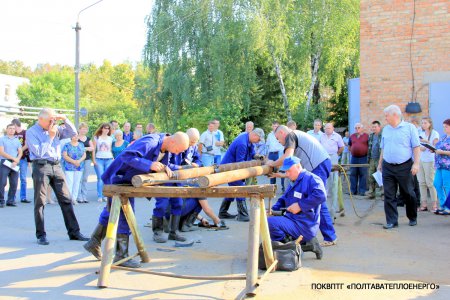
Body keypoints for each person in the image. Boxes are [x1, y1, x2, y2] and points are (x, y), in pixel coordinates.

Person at [84, 132, 189, 267]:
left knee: (111, 211)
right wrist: (150, 164)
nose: (177, 153)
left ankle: (94, 241)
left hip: (127, 179)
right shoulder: (150, 142)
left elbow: (160, 163)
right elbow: (127, 156)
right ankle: (121, 254)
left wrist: (167, 167)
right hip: (118, 177)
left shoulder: (166, 148)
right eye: (178, 150)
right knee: (124, 213)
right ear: (173, 142)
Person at [267, 125, 337, 247]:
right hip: (320, 163)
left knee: (319, 200)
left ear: (283, 133)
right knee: (310, 198)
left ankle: (329, 236)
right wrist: (284, 174)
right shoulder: (295, 135)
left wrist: (272, 163)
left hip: (318, 165)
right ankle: (322, 235)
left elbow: (288, 157)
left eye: (278, 138)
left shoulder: (291, 135)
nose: (279, 142)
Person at [26, 108, 88, 245]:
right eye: (50, 120)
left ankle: (74, 232)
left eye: (54, 120)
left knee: (66, 199)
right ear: (41, 119)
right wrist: (50, 137)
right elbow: (39, 152)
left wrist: (64, 118)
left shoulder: (55, 129)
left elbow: (73, 133)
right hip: (41, 166)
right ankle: (41, 235)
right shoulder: (31, 132)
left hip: (56, 165)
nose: (52, 123)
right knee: (40, 202)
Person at [268, 156, 324, 259]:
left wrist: (300, 206)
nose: (287, 174)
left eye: (289, 171)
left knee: (269, 223)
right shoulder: (294, 181)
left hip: (305, 224)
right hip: (293, 220)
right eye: (286, 171)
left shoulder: (312, 179)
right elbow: (283, 199)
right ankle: (305, 244)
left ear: (298, 167)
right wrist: (273, 209)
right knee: (268, 223)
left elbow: (320, 195)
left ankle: (291, 249)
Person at [377, 105, 420, 229]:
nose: (385, 118)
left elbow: (416, 147)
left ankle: (412, 217)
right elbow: (383, 148)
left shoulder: (410, 128)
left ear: (395, 115)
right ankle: (392, 221)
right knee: (389, 194)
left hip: (405, 166)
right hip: (388, 166)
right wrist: (380, 163)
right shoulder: (386, 129)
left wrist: (416, 164)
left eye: (387, 116)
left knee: (408, 193)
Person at [218, 128, 265, 222]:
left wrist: (258, 157)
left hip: (234, 167)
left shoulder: (249, 141)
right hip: (230, 168)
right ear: (254, 135)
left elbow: (252, 153)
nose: (258, 142)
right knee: (240, 188)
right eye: (258, 139)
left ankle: (223, 212)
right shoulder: (242, 143)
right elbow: (240, 163)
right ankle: (243, 215)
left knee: (232, 190)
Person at [319, 123, 344, 221]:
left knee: (334, 185)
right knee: (324, 185)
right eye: (326, 128)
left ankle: (332, 211)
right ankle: (322, 210)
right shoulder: (322, 136)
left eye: (329, 128)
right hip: (324, 158)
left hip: (333, 158)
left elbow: (341, 147)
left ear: (333, 128)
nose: (327, 130)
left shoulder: (337, 136)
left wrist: (336, 154)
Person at [417, 117, 439, 211]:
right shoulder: (421, 134)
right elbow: (420, 147)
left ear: (430, 123)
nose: (423, 124)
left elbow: (436, 146)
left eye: (425, 123)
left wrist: (427, 142)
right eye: (422, 123)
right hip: (421, 159)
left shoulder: (434, 133)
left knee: (430, 182)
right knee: (421, 182)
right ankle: (424, 204)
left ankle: (434, 204)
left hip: (430, 160)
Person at [0, 124, 23, 208]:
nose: (12, 130)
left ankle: (10, 201)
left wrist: (17, 160)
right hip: (5, 162)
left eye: (13, 129)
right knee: (2, 182)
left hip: (15, 163)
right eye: (10, 128)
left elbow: (20, 152)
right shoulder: (2, 139)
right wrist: (14, 158)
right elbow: (1, 152)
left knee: (14, 183)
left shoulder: (17, 140)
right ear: (7, 129)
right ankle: (1, 201)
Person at [62, 133, 86, 205]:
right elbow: (65, 156)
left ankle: (74, 199)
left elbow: (84, 155)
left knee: (77, 182)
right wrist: (73, 161)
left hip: (79, 166)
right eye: (74, 136)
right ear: (71, 137)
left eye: (77, 136)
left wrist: (79, 161)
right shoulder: (67, 145)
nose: (76, 137)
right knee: (69, 182)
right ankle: (68, 199)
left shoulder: (81, 144)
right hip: (69, 166)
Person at [92, 123, 114, 202]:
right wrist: (94, 160)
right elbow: (94, 149)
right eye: (105, 128)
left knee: (107, 178)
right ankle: (100, 195)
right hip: (99, 159)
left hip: (109, 159)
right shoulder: (97, 137)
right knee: (100, 178)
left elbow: (111, 149)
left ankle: (106, 195)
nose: (106, 130)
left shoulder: (111, 138)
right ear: (102, 129)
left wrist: (113, 159)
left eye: (108, 128)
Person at [11, 119, 31, 203]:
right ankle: (12, 197)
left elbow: (26, 145)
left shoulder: (25, 132)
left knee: (23, 178)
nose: (12, 128)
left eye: (13, 126)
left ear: (15, 125)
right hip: (14, 159)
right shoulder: (13, 133)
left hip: (23, 158)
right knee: (13, 178)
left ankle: (23, 197)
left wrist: (19, 151)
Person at [433, 119, 450, 215]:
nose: (444, 128)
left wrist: (442, 152)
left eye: (446, 126)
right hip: (439, 165)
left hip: (448, 165)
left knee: (447, 186)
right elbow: (438, 147)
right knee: (437, 183)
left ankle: (448, 207)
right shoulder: (443, 137)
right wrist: (434, 150)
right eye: (444, 126)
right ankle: (443, 204)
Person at [348, 123, 369, 196]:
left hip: (363, 157)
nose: (357, 129)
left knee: (363, 174)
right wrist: (354, 151)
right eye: (356, 128)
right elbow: (349, 146)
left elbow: (369, 146)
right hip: (354, 158)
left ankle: (362, 191)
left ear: (362, 128)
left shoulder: (366, 136)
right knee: (353, 174)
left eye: (359, 127)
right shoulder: (352, 136)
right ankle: (353, 190)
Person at [266, 121, 285, 193]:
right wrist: (267, 156)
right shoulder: (270, 135)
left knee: (282, 170)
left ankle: (283, 188)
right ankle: (272, 188)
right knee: (271, 171)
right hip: (271, 154)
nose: (275, 127)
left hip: (279, 153)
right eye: (274, 126)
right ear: (272, 126)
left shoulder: (281, 134)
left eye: (276, 126)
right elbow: (267, 146)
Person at [77, 122, 94, 203]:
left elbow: (92, 148)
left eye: (85, 129)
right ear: (79, 129)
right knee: (79, 178)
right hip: (78, 160)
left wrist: (84, 148)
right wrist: (87, 148)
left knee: (85, 178)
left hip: (87, 160)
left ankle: (84, 196)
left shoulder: (88, 139)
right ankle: (79, 196)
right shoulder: (76, 138)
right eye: (82, 129)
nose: (83, 130)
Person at [366, 121, 383, 199]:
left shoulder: (382, 135)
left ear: (379, 127)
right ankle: (371, 193)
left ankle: (383, 194)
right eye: (372, 127)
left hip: (380, 159)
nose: (373, 128)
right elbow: (369, 148)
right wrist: (368, 158)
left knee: (381, 176)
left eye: (375, 127)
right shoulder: (371, 136)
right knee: (371, 176)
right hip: (372, 158)